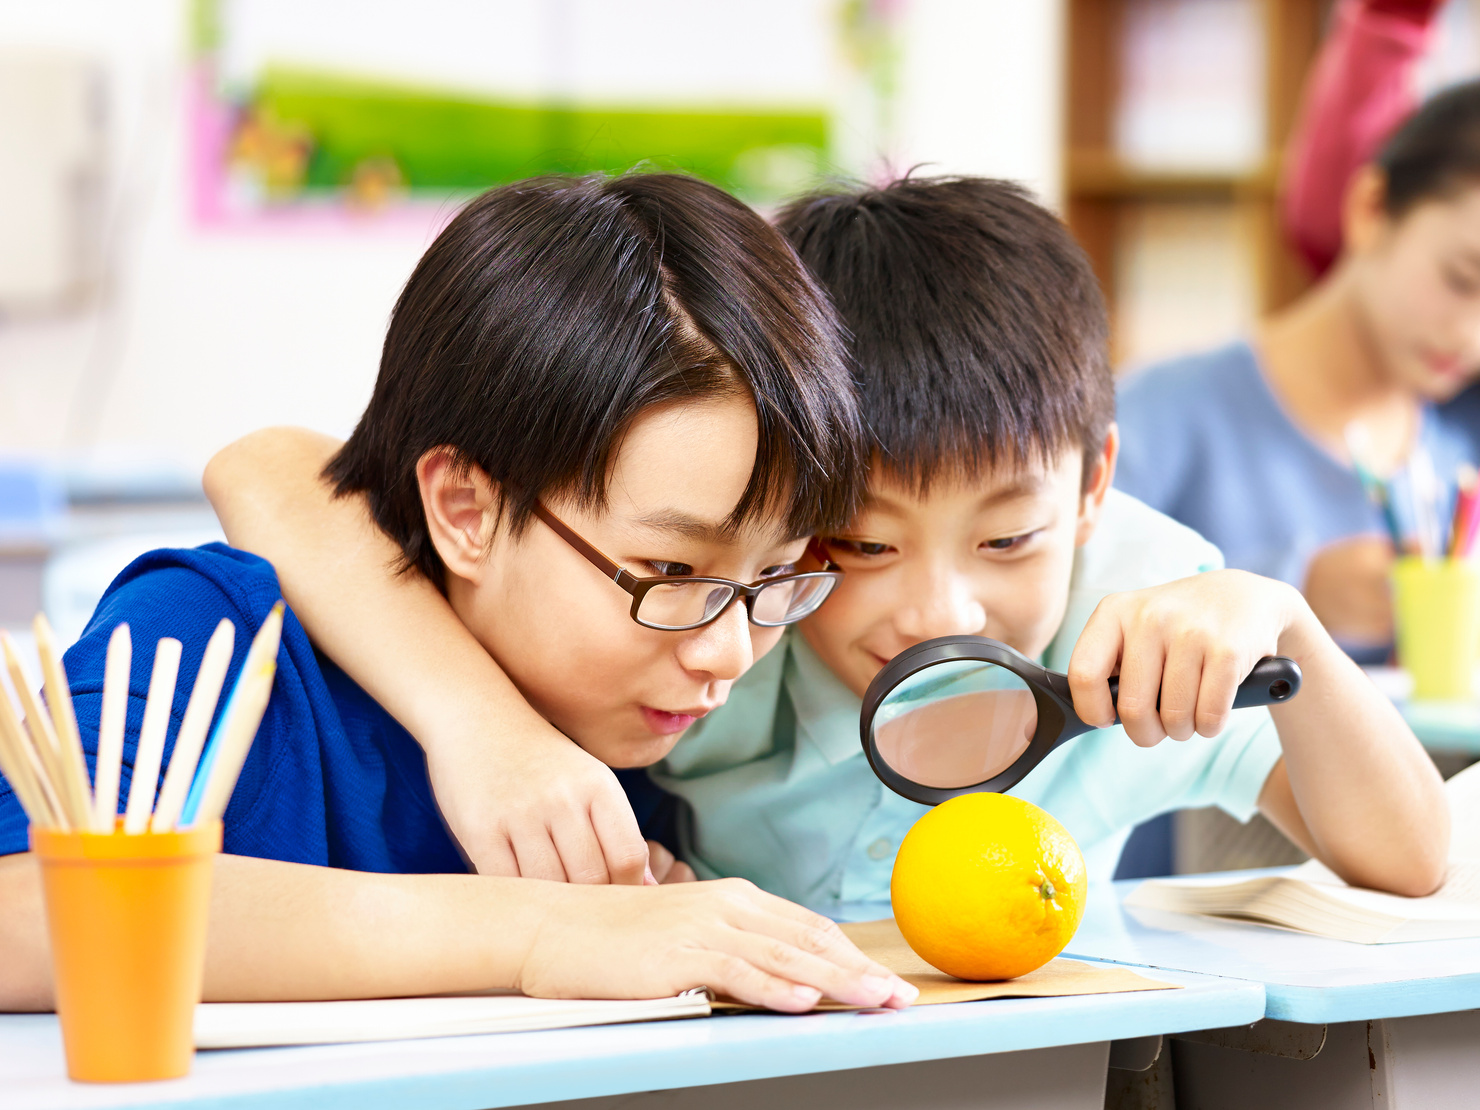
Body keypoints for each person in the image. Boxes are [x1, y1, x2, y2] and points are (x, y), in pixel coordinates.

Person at [203, 176, 1449, 914]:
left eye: (1008, 536)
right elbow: (267, 468)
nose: (942, 609)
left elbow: (1408, 858)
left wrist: (1285, 623)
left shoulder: (1139, 617)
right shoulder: (727, 632)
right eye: (857, 549)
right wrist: (489, 732)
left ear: (1092, 488)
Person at [0, 172, 918, 1014]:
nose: (727, 654)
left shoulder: (641, 732)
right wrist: (543, 931)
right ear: (466, 510)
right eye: (671, 572)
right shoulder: (212, 640)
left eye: (775, 575)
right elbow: (24, 912)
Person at [1117, 79, 1480, 660]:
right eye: (1461, 279)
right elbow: (1062, 611)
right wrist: (1292, 590)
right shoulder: (1157, 414)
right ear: (1370, 209)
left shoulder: (1460, 442)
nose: (1471, 337)